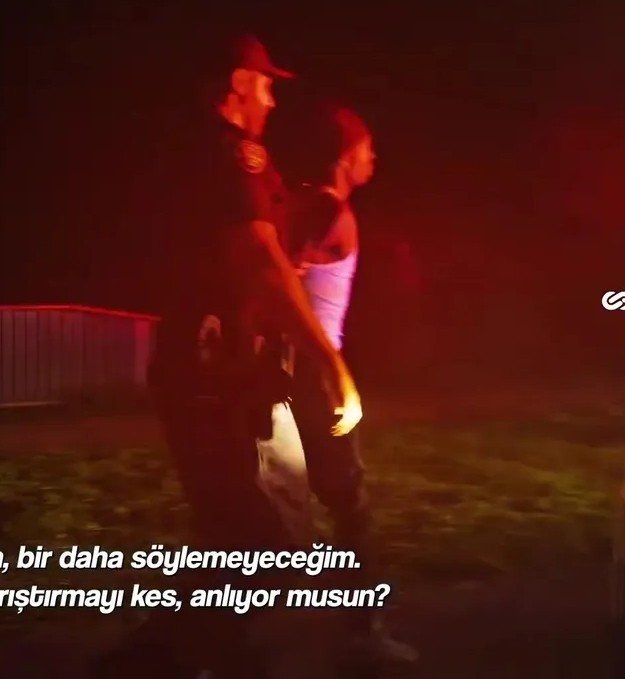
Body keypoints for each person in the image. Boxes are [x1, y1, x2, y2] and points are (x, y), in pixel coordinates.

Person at [95, 36, 363, 679]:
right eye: (266, 85)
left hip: (215, 372)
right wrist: (328, 360)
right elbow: (261, 260)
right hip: (216, 376)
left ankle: (173, 660)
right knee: (265, 544)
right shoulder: (232, 156)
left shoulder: (201, 154)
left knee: (236, 540)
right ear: (239, 83)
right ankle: (159, 663)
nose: (272, 99)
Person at [285, 104, 418, 667]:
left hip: (299, 371)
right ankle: (362, 633)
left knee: (287, 506)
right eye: (367, 148)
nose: (374, 158)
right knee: (350, 507)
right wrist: (328, 369)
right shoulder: (328, 210)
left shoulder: (308, 203)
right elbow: (283, 279)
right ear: (346, 155)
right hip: (314, 375)